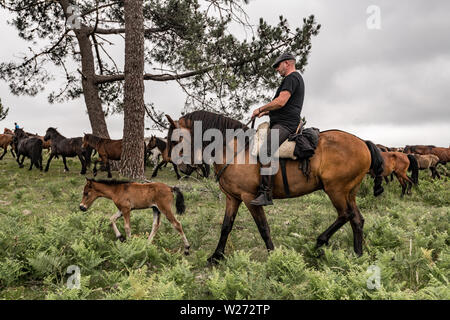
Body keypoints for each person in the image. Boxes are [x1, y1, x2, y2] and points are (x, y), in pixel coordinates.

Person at [250, 52, 305, 206]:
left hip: (286, 124)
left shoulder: (291, 78)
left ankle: (266, 194)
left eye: (278, 65)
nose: (276, 69)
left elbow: (281, 102)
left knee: (265, 151)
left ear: (287, 63)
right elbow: (286, 105)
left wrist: (260, 109)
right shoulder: (292, 79)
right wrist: (267, 112)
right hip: (283, 121)